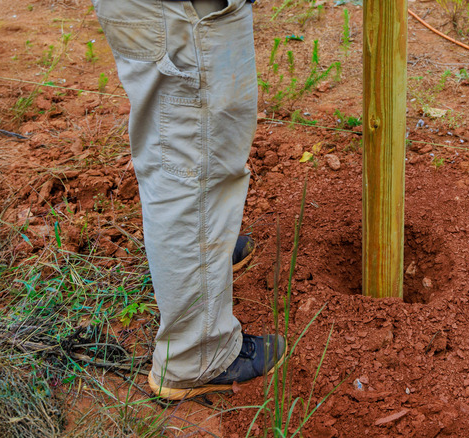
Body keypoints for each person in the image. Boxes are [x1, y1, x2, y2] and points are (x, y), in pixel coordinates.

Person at [92, 0, 285, 400]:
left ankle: (200, 261)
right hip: (186, 14)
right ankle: (197, 356)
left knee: (177, 145)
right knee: (192, 163)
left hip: (162, 13)